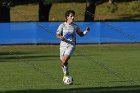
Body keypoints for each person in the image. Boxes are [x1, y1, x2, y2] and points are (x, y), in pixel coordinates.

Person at [56, 10, 90, 82]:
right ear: (67, 17)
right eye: (71, 16)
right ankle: (66, 74)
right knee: (63, 62)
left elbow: (81, 34)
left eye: (73, 16)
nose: (73, 17)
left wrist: (86, 31)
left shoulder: (75, 26)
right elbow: (57, 35)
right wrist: (60, 37)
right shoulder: (62, 25)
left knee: (65, 60)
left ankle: (66, 76)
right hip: (62, 46)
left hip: (71, 45)